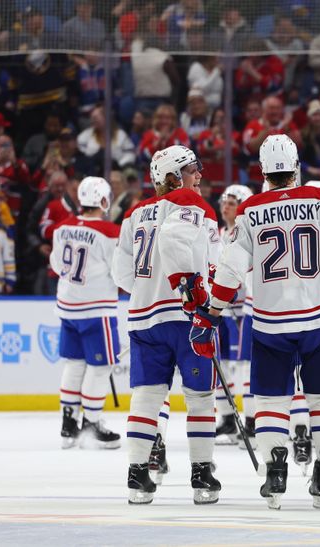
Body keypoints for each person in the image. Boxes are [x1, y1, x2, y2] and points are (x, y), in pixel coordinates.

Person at [202, 134, 320, 510]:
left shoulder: (251, 209)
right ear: (296, 167)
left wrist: (213, 310)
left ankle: (276, 469)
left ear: (264, 171)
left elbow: (232, 268)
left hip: (270, 322)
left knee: (270, 398)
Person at [112, 145, 222, 505]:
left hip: (143, 317)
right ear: (173, 177)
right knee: (201, 397)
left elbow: (121, 274)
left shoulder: (133, 213)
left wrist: (150, 286)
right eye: (193, 169)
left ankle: (137, 475)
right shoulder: (191, 202)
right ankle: (202, 473)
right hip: (184, 316)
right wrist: (188, 284)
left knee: (146, 396)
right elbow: (186, 247)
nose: (199, 175)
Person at [50, 177, 121, 450]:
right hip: (96, 308)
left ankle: (68, 425)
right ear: (103, 200)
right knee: (100, 367)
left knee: (74, 363)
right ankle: (91, 423)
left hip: (67, 305)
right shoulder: (109, 231)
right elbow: (118, 271)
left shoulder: (62, 227)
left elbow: (56, 263)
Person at [214, 184, 253, 444]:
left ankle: (250, 420)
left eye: (232, 202)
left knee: (244, 367)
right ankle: (227, 419)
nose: (226, 206)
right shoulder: (217, 234)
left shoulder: (246, 234)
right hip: (222, 313)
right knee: (222, 367)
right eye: (224, 202)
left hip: (242, 310)